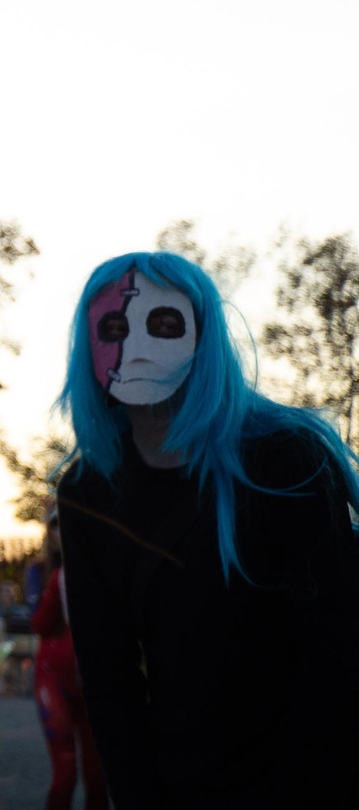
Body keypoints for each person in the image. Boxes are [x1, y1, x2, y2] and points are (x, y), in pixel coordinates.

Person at [55, 250, 359, 807]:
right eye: (114, 328)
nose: (136, 347)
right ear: (89, 344)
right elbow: (107, 676)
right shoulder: (87, 494)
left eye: (163, 323)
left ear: (203, 335)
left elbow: (335, 651)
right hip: (181, 783)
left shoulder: (287, 461)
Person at [29, 514, 102, 810]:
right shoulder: (42, 571)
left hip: (91, 676)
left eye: (66, 521)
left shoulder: (97, 566)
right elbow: (39, 624)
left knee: (97, 773)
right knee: (66, 771)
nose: (61, 530)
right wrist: (55, 588)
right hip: (54, 677)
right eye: (55, 524)